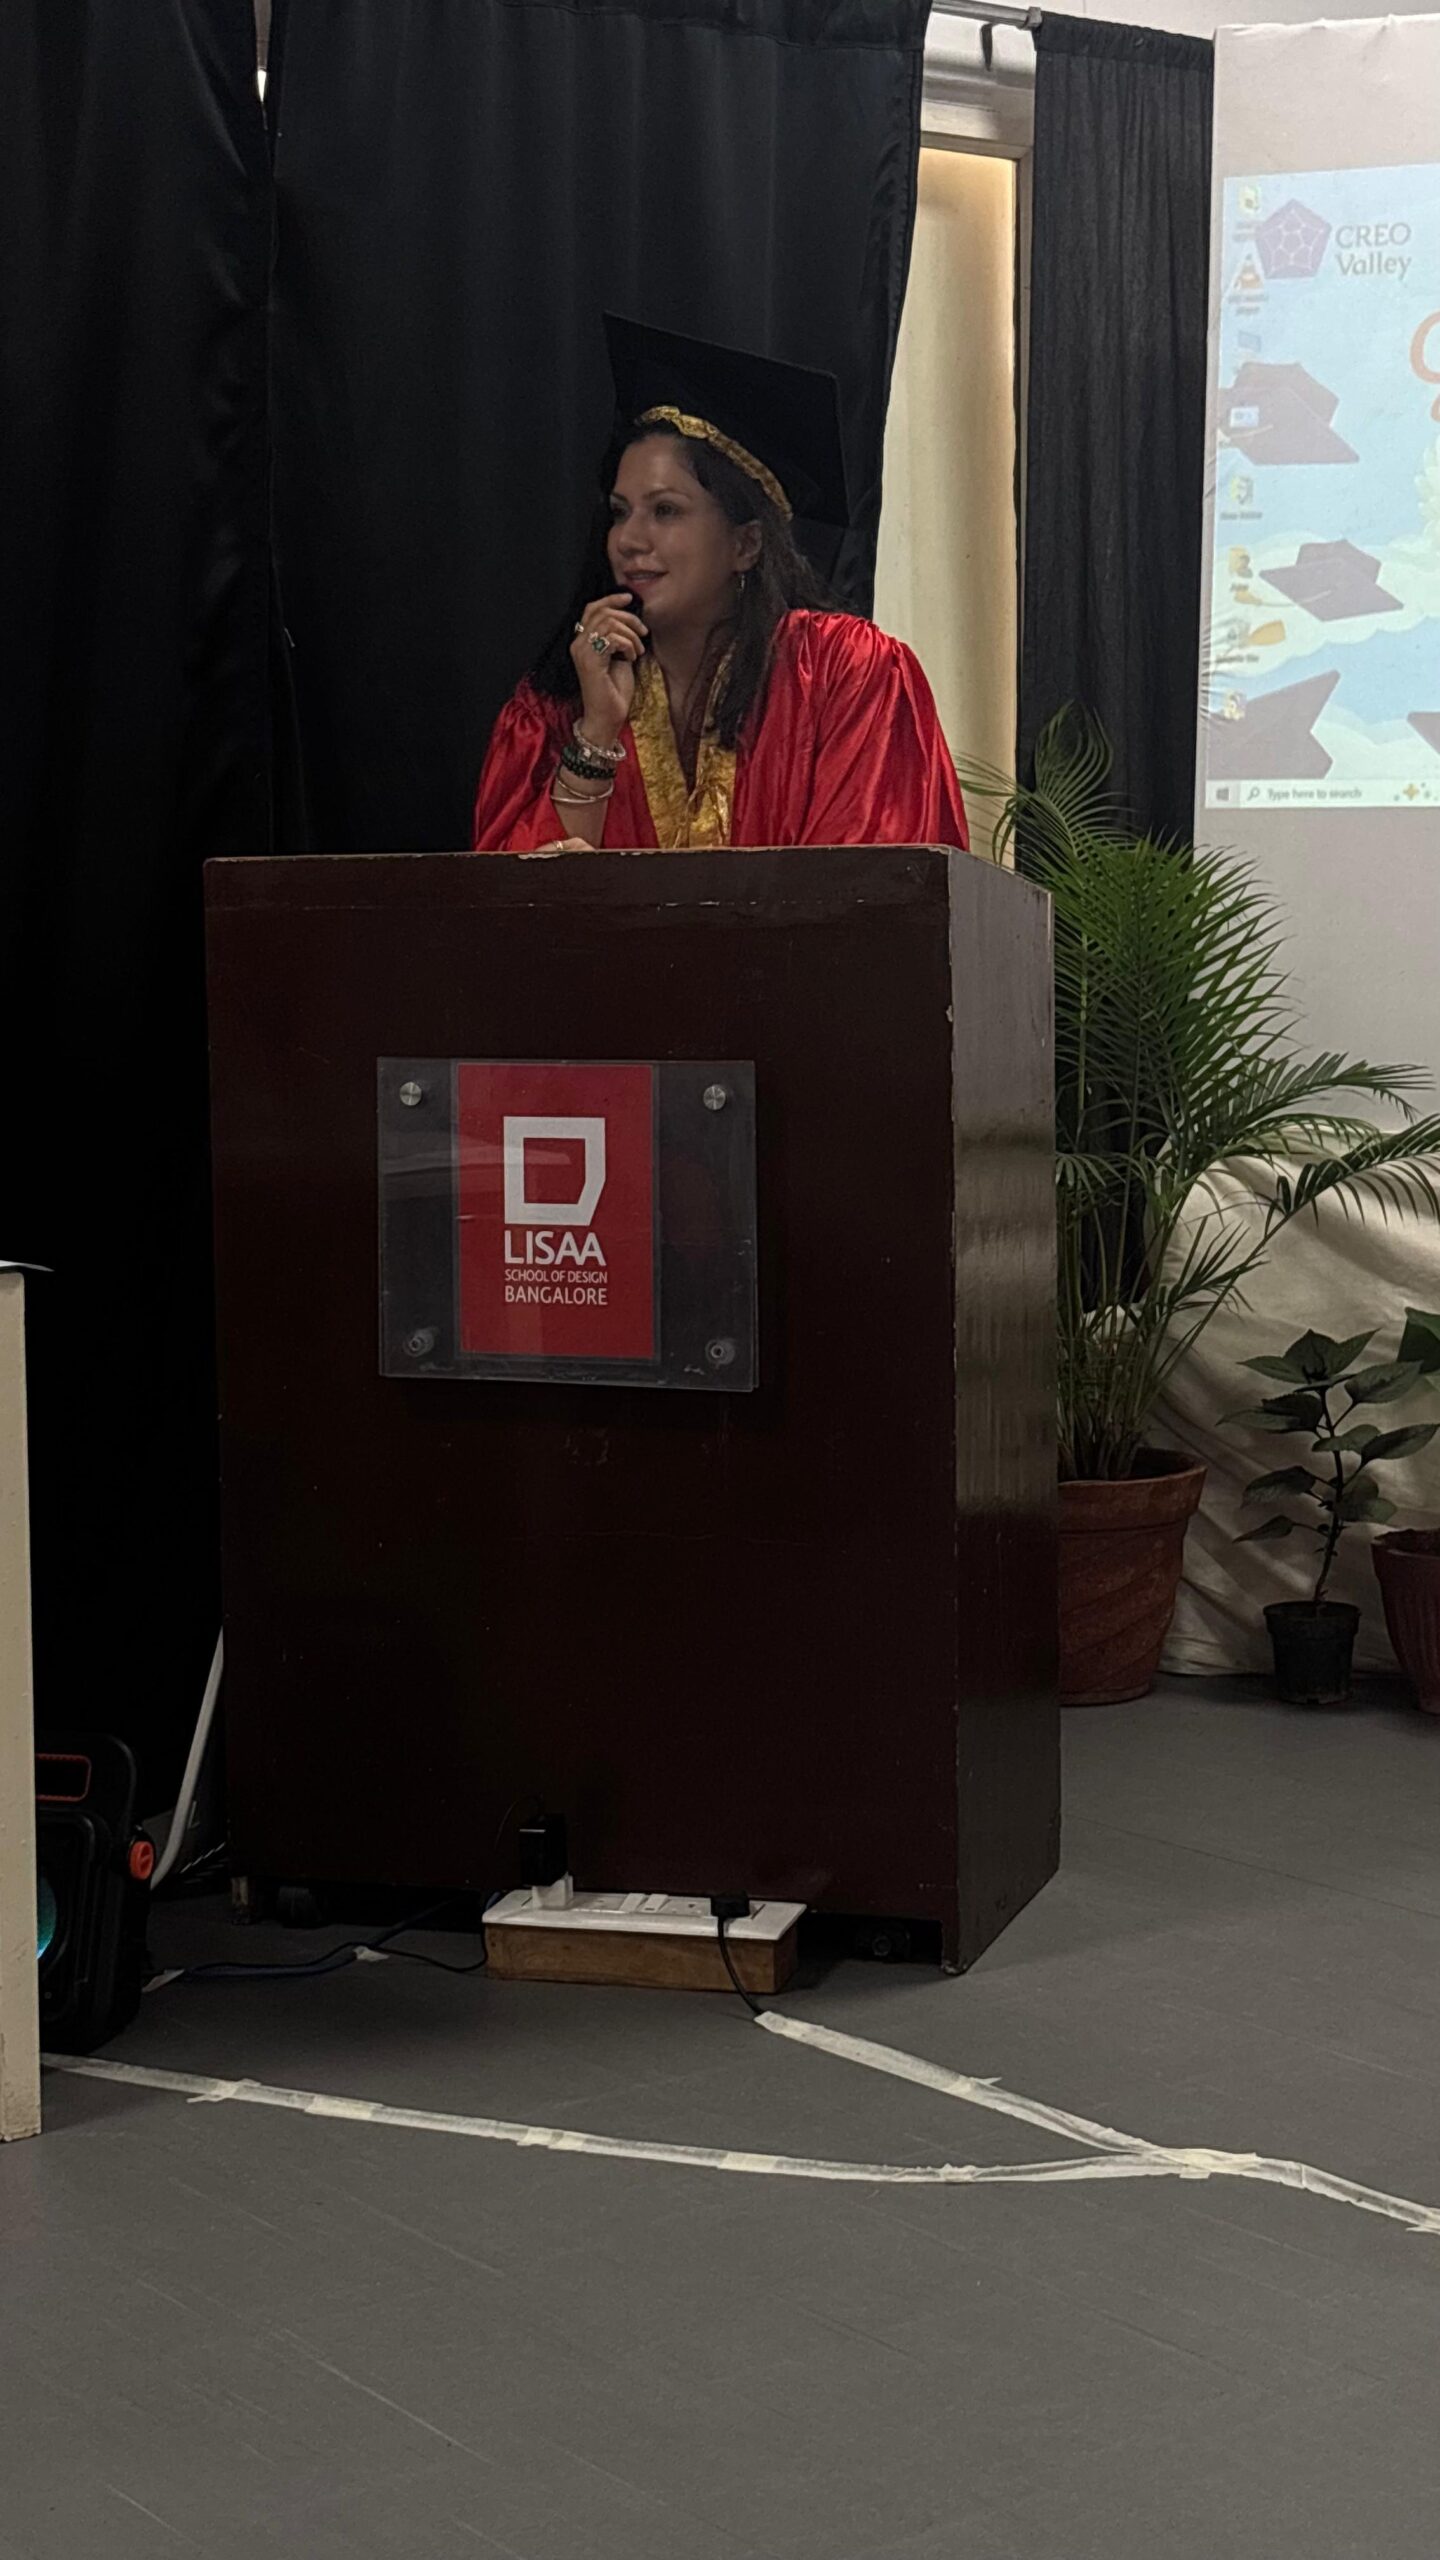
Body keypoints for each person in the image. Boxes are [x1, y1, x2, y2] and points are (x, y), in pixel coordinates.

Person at [471, 319, 968, 856]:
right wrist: (596, 733)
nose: (628, 540)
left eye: (665, 510)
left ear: (745, 544)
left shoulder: (842, 673)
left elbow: (864, 883)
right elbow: (509, 894)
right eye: (620, 512)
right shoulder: (558, 706)